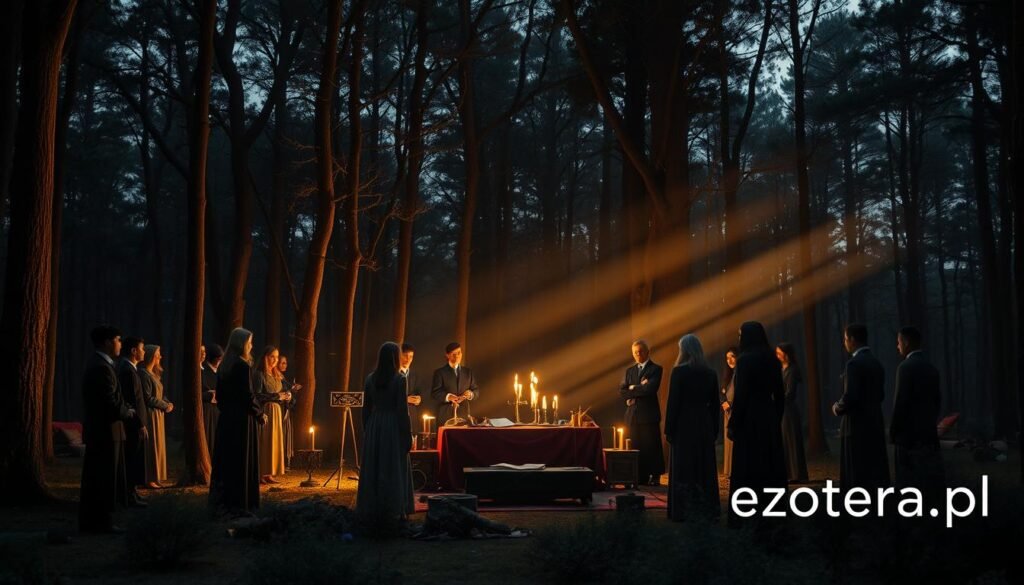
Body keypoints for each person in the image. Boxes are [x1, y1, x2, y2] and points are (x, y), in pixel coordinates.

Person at [727, 322, 787, 522]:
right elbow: (780, 395)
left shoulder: (744, 361)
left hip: (749, 419)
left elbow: (742, 396)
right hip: (767, 416)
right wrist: (775, 417)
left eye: (740, 335)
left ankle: (746, 512)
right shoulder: (772, 359)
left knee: (748, 466)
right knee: (770, 465)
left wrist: (733, 424)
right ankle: (771, 511)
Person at [79, 325, 135, 533]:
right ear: (106, 342)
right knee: (103, 478)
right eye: (118, 339)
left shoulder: (101, 365)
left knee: (101, 477)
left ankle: (98, 521)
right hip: (105, 432)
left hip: (104, 431)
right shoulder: (101, 367)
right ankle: (100, 523)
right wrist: (126, 412)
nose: (120, 344)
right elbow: (108, 402)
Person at [664, 334, 721, 521]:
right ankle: (706, 508)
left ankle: (683, 510)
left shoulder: (679, 372)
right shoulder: (710, 373)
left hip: (684, 424)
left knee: (683, 467)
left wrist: (669, 429)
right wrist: (714, 429)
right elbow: (714, 405)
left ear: (684, 350)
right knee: (703, 467)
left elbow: (674, 403)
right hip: (703, 423)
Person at [356, 342, 415, 522]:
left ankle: (373, 506)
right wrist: (407, 435)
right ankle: (395, 507)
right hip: (392, 425)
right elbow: (402, 411)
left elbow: (365, 409)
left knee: (376, 465)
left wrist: (368, 429)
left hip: (375, 424)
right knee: (393, 465)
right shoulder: (399, 379)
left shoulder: (370, 379)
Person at [209, 328, 265, 516]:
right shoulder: (241, 366)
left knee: (228, 461)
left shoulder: (225, 366)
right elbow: (247, 396)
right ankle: (242, 503)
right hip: (242, 422)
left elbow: (222, 397)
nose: (251, 346)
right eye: (249, 342)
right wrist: (259, 413)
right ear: (241, 344)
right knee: (241, 461)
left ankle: (224, 502)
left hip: (227, 421)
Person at [832, 323, 890, 491]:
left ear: (852, 340)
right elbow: (880, 395)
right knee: (873, 469)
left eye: (845, 339)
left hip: (855, 425)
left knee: (856, 471)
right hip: (874, 422)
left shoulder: (853, 364)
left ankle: (855, 506)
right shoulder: (876, 363)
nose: (844, 343)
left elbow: (850, 396)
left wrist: (836, 407)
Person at [890, 326, 944, 500]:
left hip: (908, 436)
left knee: (906, 483)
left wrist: (893, 432)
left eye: (898, 342)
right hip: (928, 434)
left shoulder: (905, 367)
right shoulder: (931, 368)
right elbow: (937, 402)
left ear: (906, 343)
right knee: (927, 482)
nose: (897, 346)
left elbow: (900, 403)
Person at [618, 339, 665, 485]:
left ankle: (655, 475)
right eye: (635, 352)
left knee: (651, 446)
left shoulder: (656, 369)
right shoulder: (630, 371)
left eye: (640, 351)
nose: (638, 354)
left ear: (647, 352)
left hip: (648, 415)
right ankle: (640, 476)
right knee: (635, 446)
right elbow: (622, 391)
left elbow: (651, 389)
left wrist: (633, 388)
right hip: (632, 416)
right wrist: (638, 388)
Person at [116, 336, 149, 505]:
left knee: (135, 458)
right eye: (142, 348)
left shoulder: (131, 369)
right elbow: (132, 400)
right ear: (134, 351)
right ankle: (128, 494)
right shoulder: (127, 371)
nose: (144, 352)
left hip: (135, 422)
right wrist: (140, 423)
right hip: (133, 424)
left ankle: (132, 492)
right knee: (131, 458)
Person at [253, 346, 289, 484]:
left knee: (274, 442)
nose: (275, 360)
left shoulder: (277, 375)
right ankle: (261, 472)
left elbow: (282, 391)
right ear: (265, 357)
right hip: (265, 410)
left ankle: (270, 472)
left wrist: (287, 395)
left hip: (277, 411)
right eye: (272, 356)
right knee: (265, 441)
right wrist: (276, 396)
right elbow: (257, 395)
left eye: (276, 357)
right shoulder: (259, 374)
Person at [139, 344, 173, 489]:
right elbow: (148, 398)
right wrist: (164, 405)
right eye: (158, 354)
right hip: (151, 414)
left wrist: (167, 402)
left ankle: (157, 476)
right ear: (152, 356)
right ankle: (149, 478)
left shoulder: (154, 374)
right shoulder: (144, 374)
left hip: (158, 415)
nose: (160, 356)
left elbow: (159, 394)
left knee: (158, 445)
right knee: (152, 445)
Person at [776, 342, 809, 483]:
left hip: (789, 410)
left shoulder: (792, 370)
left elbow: (790, 393)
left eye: (779, 353)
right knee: (785, 440)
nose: (777, 355)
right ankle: (789, 473)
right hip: (783, 409)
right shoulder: (782, 369)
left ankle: (797, 474)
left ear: (786, 354)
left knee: (792, 440)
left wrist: (777, 400)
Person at [430, 342, 478, 424]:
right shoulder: (440, 372)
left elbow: (476, 390)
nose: (457, 356)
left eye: (459, 353)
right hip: (445, 415)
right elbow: (435, 393)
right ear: (447, 355)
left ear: (461, 353)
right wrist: (448, 397)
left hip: (464, 414)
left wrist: (470, 394)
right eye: (453, 354)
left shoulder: (468, 372)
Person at [275, 354, 300, 468]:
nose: (285, 365)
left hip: (286, 409)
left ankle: (285, 462)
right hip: (279, 409)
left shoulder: (282, 377)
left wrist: (292, 391)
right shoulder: (275, 377)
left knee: (285, 435)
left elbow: (288, 391)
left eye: (285, 363)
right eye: (282, 362)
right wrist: (290, 391)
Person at [720, 347, 738, 478]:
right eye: (727, 358)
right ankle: (730, 470)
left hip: (736, 411)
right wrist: (723, 402)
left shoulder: (740, 373)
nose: (729, 360)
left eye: (732, 356)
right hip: (727, 412)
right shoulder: (728, 375)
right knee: (728, 441)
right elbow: (722, 393)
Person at [202, 344, 223, 456]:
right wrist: (211, 394)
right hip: (207, 410)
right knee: (208, 435)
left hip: (217, 409)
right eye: (218, 359)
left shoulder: (219, 371)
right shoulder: (204, 370)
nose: (219, 361)